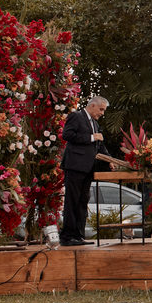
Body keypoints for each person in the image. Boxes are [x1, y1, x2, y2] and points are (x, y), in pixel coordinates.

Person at [59, 95, 108, 246]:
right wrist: (91, 137)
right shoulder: (76, 116)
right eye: (101, 109)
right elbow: (66, 134)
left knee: (82, 202)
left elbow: (100, 145)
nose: (102, 113)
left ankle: (78, 235)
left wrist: (110, 160)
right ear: (92, 105)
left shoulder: (94, 123)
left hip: (88, 167)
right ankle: (67, 236)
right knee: (72, 201)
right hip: (74, 165)